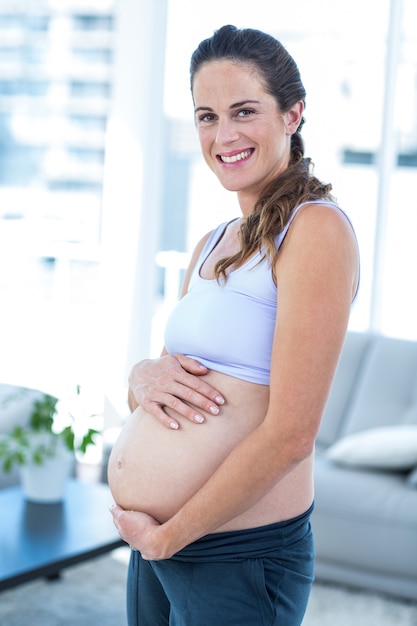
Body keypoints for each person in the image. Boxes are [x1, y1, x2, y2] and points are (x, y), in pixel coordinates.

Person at [108, 24, 359, 626]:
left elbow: (294, 435)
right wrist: (141, 375)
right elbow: (165, 383)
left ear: (293, 113)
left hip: (231, 550)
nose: (223, 136)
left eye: (244, 111)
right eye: (206, 116)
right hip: (163, 544)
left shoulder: (315, 231)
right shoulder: (212, 242)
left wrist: (172, 535)